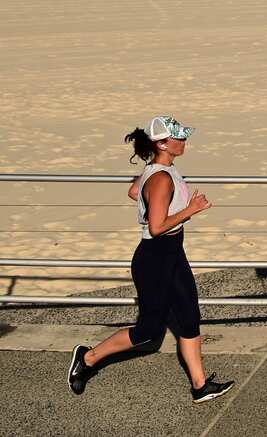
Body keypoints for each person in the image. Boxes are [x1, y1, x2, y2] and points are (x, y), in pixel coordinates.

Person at [66, 116, 235, 403]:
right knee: (149, 331)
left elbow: (134, 191)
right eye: (178, 137)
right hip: (155, 259)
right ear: (163, 144)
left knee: (189, 317)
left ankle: (200, 385)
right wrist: (191, 208)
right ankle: (88, 358)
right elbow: (156, 227)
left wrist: (153, 196)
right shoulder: (161, 178)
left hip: (173, 253)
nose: (184, 141)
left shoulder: (159, 169)